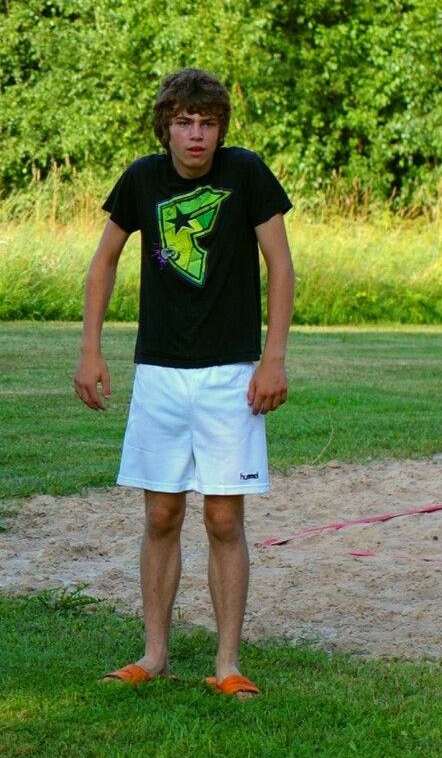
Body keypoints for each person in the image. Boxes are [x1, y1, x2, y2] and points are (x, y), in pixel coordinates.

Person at [73, 68, 293, 699]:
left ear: (221, 129)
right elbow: (104, 261)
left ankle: (228, 663)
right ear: (165, 128)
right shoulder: (142, 179)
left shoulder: (245, 173)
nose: (196, 134)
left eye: (208, 123)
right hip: (160, 373)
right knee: (162, 513)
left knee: (224, 518)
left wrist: (273, 357)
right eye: (184, 122)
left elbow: (280, 265)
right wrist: (90, 349)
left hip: (231, 375)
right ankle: (154, 653)